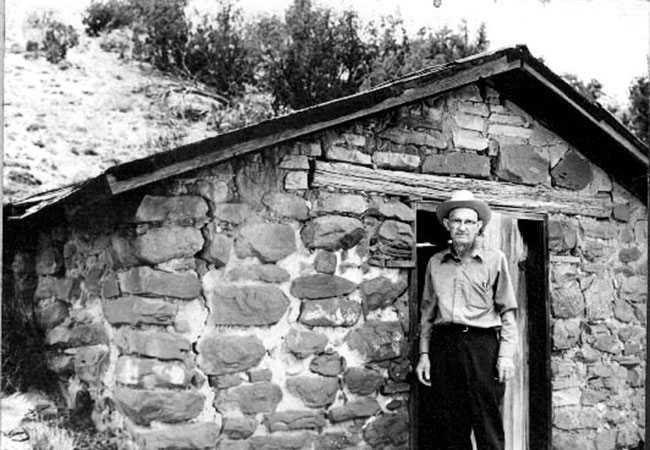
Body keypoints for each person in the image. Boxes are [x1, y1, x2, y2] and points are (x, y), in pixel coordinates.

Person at [416, 190, 518, 450]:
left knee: (488, 425)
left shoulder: (495, 260)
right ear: (447, 225)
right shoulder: (435, 263)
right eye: (457, 221)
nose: (462, 227)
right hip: (445, 347)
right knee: (450, 427)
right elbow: (427, 313)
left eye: (469, 222)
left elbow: (508, 311)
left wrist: (505, 355)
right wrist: (424, 355)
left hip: (482, 347)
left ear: (479, 226)